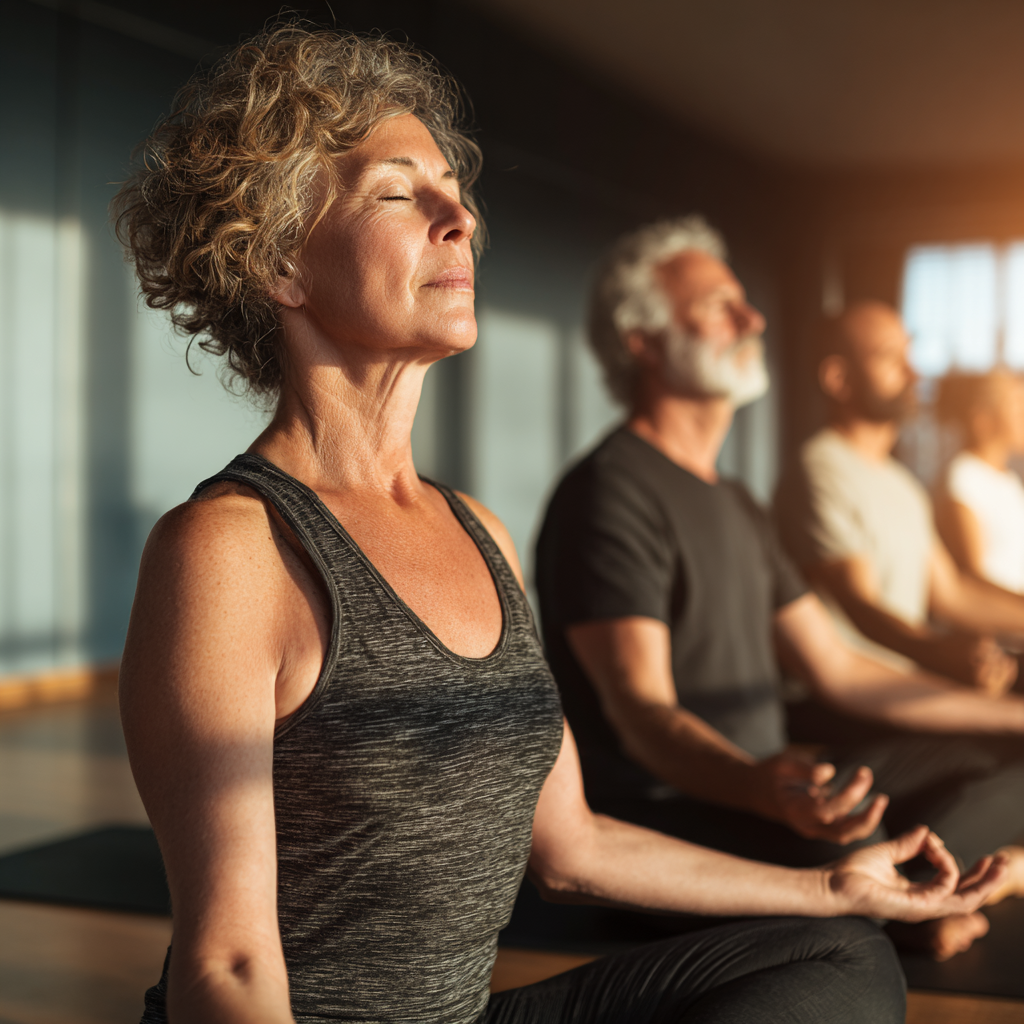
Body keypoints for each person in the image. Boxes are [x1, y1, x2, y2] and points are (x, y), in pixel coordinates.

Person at [113, 28, 1002, 1024]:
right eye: (399, 193)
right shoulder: (230, 549)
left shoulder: (478, 531)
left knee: (840, 954)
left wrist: (834, 886)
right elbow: (227, 964)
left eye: (455, 189)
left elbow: (572, 847)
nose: (460, 217)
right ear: (281, 263)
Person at [535, 218, 1024, 963]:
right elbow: (643, 715)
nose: (753, 319)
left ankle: (918, 897)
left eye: (745, 302)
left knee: (1002, 755)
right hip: (676, 819)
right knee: (854, 874)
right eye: (718, 306)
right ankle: (917, 900)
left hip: (778, 790)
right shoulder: (609, 494)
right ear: (644, 343)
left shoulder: (736, 502)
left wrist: (1011, 714)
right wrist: (757, 786)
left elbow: (840, 669)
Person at [775, 303, 1024, 698]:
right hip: (846, 703)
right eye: (890, 358)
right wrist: (941, 654)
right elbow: (861, 608)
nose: (914, 373)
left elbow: (951, 593)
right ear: (839, 378)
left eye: (910, 354)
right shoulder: (821, 469)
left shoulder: (902, 484)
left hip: (900, 689)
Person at [934, 370, 1024, 593]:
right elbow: (973, 577)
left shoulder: (1010, 481)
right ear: (983, 418)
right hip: (998, 612)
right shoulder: (963, 478)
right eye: (1017, 406)